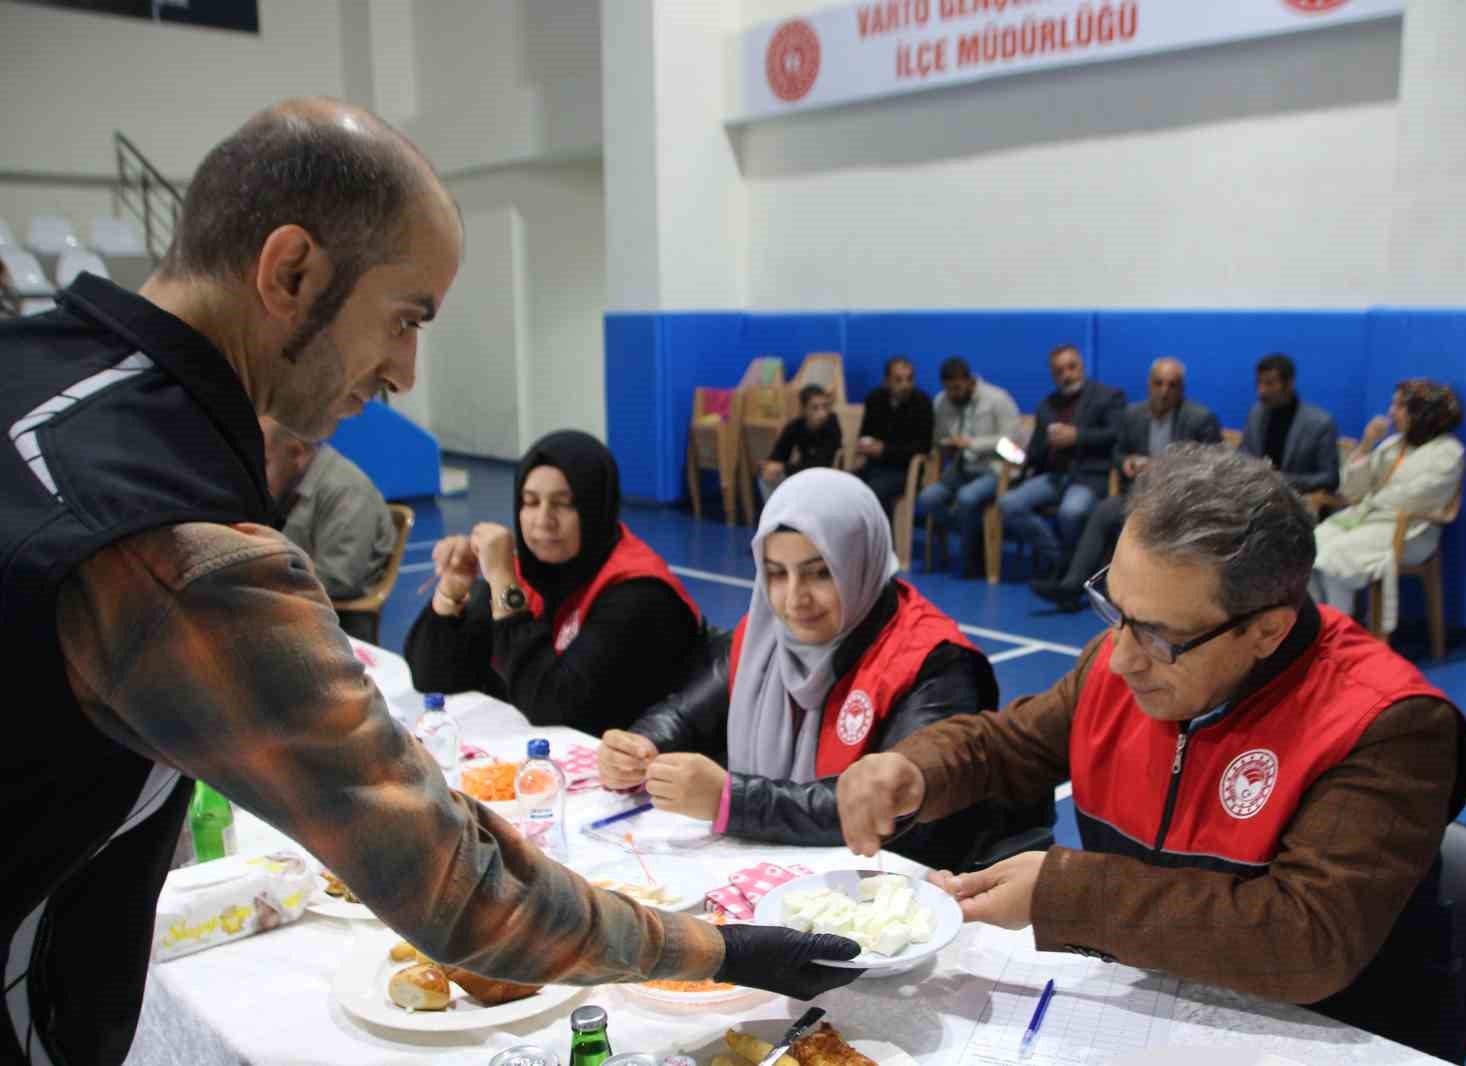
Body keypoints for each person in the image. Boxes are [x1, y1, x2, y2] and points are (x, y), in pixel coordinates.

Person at [0, 99, 855, 1066]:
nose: (405, 371)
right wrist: (725, 948)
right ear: (291, 273)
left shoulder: (37, 371)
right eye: (405, 320)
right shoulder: (173, 539)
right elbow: (456, 887)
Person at [837, 445, 1466, 1064]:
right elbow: (1011, 745)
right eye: (1114, 608)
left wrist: (1064, 894)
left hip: (1337, 1034)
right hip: (1160, 1004)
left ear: (1267, 629)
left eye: (1160, 635)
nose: (1119, 657)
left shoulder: (1388, 726)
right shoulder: (1122, 664)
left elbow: (1306, 937)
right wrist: (916, 768)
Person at [597, 468, 1053, 872]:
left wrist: (732, 801)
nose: (794, 599)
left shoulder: (936, 664)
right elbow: (686, 712)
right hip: (789, 872)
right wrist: (642, 743)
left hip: (904, 891)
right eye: (776, 573)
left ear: (860, 562)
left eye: (819, 573)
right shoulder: (765, 636)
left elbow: (884, 812)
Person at [405, 430, 706, 734]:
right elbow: (432, 679)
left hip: (628, 769)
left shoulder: (639, 595)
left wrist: (504, 584)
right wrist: (451, 592)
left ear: (594, 509)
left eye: (564, 504)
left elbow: (552, 707)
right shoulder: (530, 572)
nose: (543, 520)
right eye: (530, 502)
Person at [1032, 358, 1220, 608]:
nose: (1164, 391)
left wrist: (1163, 467)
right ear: (1149, 384)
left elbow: (1212, 467)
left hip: (1180, 503)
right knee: (1104, 510)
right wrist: (1126, 463)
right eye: (1159, 383)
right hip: (1140, 496)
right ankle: (1072, 584)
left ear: (1182, 388)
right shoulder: (1133, 415)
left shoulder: (1200, 419)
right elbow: (1118, 453)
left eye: (1172, 385)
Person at [1312, 380, 1466, 634]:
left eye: (1399, 406)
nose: (1391, 412)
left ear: (1421, 413)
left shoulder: (1449, 452)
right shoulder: (1392, 445)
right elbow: (1351, 490)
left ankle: (1340, 632)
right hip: (1365, 521)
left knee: (1334, 555)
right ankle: (1319, 626)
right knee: (1309, 548)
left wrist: (1372, 500)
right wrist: (1366, 444)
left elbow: (1416, 497)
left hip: (1410, 532)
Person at [999, 344, 1126, 576]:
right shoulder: (1047, 405)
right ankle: (1059, 559)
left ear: (1082, 367)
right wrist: (1024, 452)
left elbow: (1118, 434)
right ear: (1053, 375)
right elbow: (1036, 451)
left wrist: (1077, 436)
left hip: (1088, 476)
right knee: (1009, 504)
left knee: (1071, 512)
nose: (1066, 375)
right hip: (1053, 475)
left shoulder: (1107, 397)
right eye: (1059, 371)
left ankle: (1074, 569)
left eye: (1071, 367)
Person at [260, 416, 397, 615]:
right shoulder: (285, 484)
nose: (255, 474)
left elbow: (339, 580)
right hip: (291, 611)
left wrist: (260, 580)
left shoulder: (347, 490)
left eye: (264, 463)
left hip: (334, 623)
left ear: (297, 452)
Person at [915, 356, 1020, 577]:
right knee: (927, 499)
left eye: (957, 388)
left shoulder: (997, 399)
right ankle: (971, 535)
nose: (954, 394)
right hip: (961, 468)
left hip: (994, 469)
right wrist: (946, 445)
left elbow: (1015, 443)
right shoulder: (941, 402)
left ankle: (972, 557)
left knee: (966, 498)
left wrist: (974, 444)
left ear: (970, 381)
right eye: (949, 389)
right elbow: (938, 438)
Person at [1240, 353, 1340, 493]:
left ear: (1290, 383)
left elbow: (1330, 478)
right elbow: (1242, 456)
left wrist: (1280, 479)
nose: (1261, 391)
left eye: (1270, 383)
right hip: (1254, 496)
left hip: (1298, 501)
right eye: (1259, 383)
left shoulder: (1320, 423)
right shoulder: (1255, 414)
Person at [854, 356, 934, 518]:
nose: (905, 385)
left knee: (875, 490)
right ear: (887, 381)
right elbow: (865, 433)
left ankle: (884, 541)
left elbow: (923, 447)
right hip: (874, 465)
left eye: (909, 379)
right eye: (899, 380)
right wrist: (864, 446)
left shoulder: (922, 403)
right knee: (844, 484)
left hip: (904, 470)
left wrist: (884, 450)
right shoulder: (874, 398)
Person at [760, 383, 842, 501]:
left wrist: (782, 467)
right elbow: (779, 454)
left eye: (825, 407)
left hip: (824, 476)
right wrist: (769, 465)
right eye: (815, 408)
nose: (822, 413)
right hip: (800, 473)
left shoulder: (832, 424)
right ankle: (776, 516)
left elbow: (820, 465)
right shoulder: (796, 426)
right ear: (804, 410)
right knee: (766, 473)